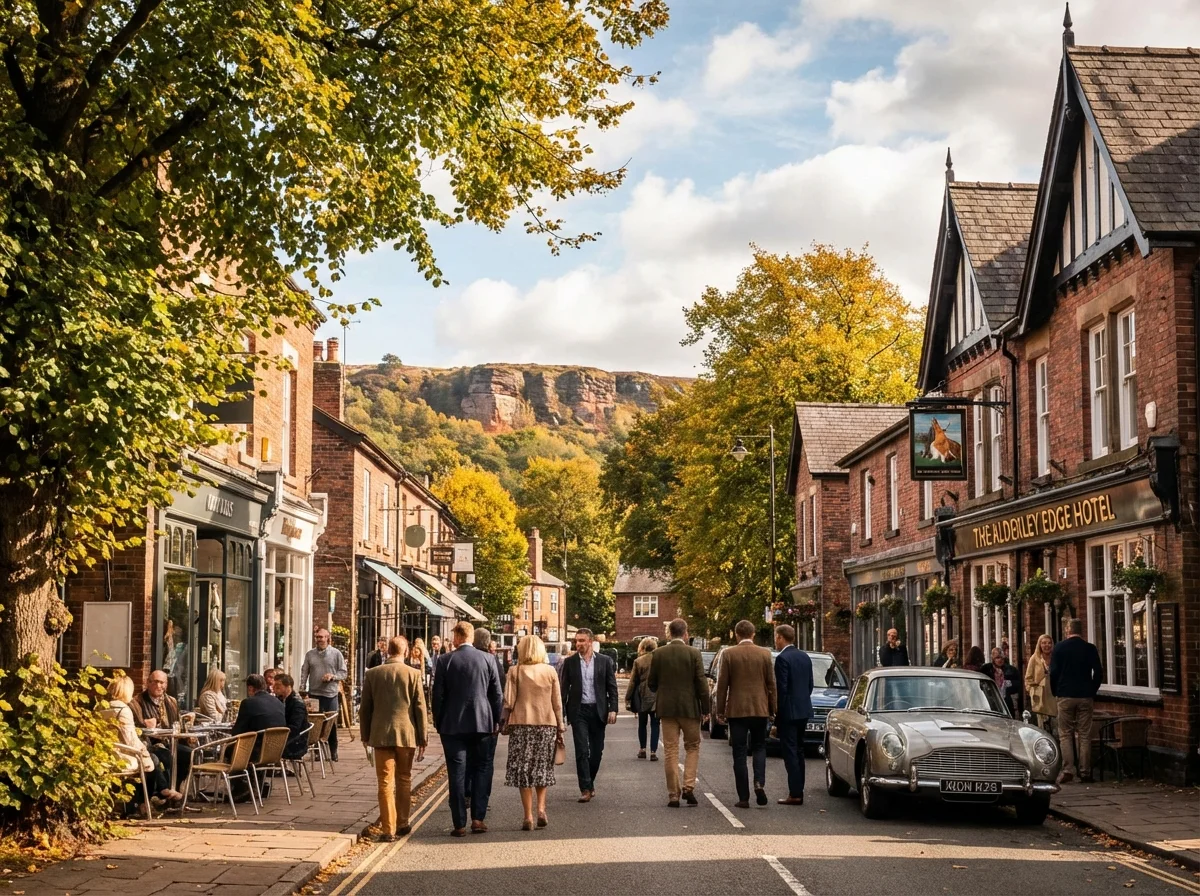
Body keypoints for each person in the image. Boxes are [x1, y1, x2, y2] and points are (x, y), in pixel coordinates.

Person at [432, 621, 503, 837]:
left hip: (452, 725)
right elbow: (497, 694)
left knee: (456, 772)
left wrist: (438, 721)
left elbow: (437, 695)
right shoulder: (489, 659)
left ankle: (459, 824)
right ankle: (478, 819)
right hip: (483, 723)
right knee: (482, 768)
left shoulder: (445, 660)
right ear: (471, 637)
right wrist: (497, 720)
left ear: (457, 637)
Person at [360, 635, 428, 841]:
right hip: (406, 735)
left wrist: (365, 735)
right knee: (404, 778)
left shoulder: (373, 674)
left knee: (385, 782)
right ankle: (403, 823)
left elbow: (365, 709)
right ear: (405, 652)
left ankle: (388, 830)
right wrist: (423, 738)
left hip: (380, 735)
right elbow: (420, 708)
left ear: (388, 651)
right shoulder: (413, 674)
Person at [501, 635, 565, 831]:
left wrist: (503, 721)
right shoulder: (550, 671)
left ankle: (528, 816)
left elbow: (508, 701)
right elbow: (557, 703)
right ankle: (541, 810)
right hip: (546, 725)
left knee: (523, 771)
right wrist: (560, 726)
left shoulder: (515, 671)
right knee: (542, 768)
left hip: (521, 725)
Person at [715, 620, 778, 809]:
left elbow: (722, 685)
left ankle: (743, 797)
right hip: (759, 709)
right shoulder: (765, 654)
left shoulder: (728, 654)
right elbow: (771, 684)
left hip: (737, 710)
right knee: (759, 747)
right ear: (753, 634)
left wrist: (720, 711)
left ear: (736, 635)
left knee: (739, 752)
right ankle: (759, 783)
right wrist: (773, 709)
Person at [648, 618, 710, 808]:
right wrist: (706, 709)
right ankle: (688, 786)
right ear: (685, 633)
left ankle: (673, 794)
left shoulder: (658, 653)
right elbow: (701, 683)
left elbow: (651, 683)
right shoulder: (694, 653)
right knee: (692, 746)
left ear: (669, 633)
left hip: (667, 709)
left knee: (670, 750)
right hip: (689, 708)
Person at [106, 673, 183, 810]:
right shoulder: (124, 710)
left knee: (163, 755)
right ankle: (150, 799)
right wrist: (144, 750)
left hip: (111, 751)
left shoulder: (103, 707)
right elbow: (131, 739)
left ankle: (158, 794)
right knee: (153, 758)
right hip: (125, 753)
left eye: (162, 683)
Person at [559, 628, 618, 803]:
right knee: (582, 751)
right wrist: (561, 714)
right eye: (577, 641)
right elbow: (563, 690)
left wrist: (613, 709)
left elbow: (612, 687)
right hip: (578, 711)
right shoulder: (569, 662)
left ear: (590, 642)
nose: (578, 644)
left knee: (597, 752)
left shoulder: (604, 661)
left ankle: (589, 781)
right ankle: (585, 788)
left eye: (582, 641)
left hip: (598, 711)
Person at [1050, 618, 1103, 784]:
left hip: (1065, 695)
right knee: (1084, 734)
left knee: (1065, 733)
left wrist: (1056, 691)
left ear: (1068, 630)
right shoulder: (1090, 648)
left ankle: (1068, 770)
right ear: (1082, 631)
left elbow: (1053, 673)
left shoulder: (1059, 648)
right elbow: (1098, 672)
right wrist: (1092, 690)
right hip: (1085, 696)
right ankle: (1085, 772)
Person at [773, 624, 814, 806]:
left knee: (790, 752)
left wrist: (777, 717)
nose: (775, 641)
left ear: (781, 637)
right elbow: (810, 684)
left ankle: (795, 793)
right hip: (803, 709)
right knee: (799, 750)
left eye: (776, 637)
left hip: (788, 712)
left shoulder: (782, 659)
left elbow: (781, 690)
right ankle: (799, 790)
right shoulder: (805, 657)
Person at [129, 669, 191, 788]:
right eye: (155, 682)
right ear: (148, 683)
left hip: (171, 741)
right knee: (167, 757)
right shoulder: (137, 702)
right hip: (152, 744)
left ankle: (175, 786)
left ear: (166, 684)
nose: (158, 686)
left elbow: (177, 724)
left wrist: (186, 726)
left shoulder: (171, 702)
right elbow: (134, 727)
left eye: (162, 682)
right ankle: (165, 791)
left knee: (190, 754)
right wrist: (144, 723)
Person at [300, 628, 347, 762]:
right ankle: (317, 752)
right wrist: (302, 687)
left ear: (328, 638)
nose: (319, 639)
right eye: (317, 637)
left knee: (331, 725)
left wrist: (333, 676)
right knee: (315, 724)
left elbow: (343, 673)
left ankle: (333, 751)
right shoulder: (310, 654)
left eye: (322, 637)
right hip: (314, 694)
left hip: (330, 694)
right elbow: (304, 671)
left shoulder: (336, 654)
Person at [470, 628, 504, 811]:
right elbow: (499, 693)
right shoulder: (493, 661)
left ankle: (467, 793)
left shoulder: (460, 657)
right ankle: (482, 799)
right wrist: (499, 720)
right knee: (486, 762)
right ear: (489, 642)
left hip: (464, 720)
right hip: (488, 720)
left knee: (468, 760)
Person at [232, 673, 287, 761]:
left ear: (250, 688)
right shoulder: (279, 703)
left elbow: (237, 732)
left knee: (225, 749)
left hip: (255, 751)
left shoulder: (248, 703)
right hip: (277, 751)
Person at [625, 638, 659, 761]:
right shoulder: (659, 660)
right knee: (655, 724)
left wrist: (628, 698)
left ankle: (643, 749)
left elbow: (633, 682)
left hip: (642, 695)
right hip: (657, 695)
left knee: (642, 723)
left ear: (642, 647)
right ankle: (653, 752)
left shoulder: (638, 661)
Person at [273, 673, 311, 759]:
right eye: (274, 686)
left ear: (288, 687)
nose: (274, 688)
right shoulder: (279, 700)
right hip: (285, 738)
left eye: (278, 686)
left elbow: (295, 727)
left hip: (295, 743)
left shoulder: (297, 704)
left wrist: (279, 737)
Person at [1025, 634, 1057, 733]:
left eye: (1049, 643)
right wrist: (1031, 691)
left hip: (1053, 695)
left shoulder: (1056, 658)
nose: (1046, 645)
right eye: (1043, 643)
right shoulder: (1034, 658)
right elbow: (1028, 678)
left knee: (1055, 726)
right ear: (1039, 645)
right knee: (1041, 727)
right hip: (1039, 697)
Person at [981, 646, 1022, 716]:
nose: (1000, 660)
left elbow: (1018, 685)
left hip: (1006, 701)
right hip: (990, 700)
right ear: (993, 658)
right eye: (997, 658)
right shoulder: (986, 669)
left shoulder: (1011, 670)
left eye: (1002, 658)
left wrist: (1008, 684)